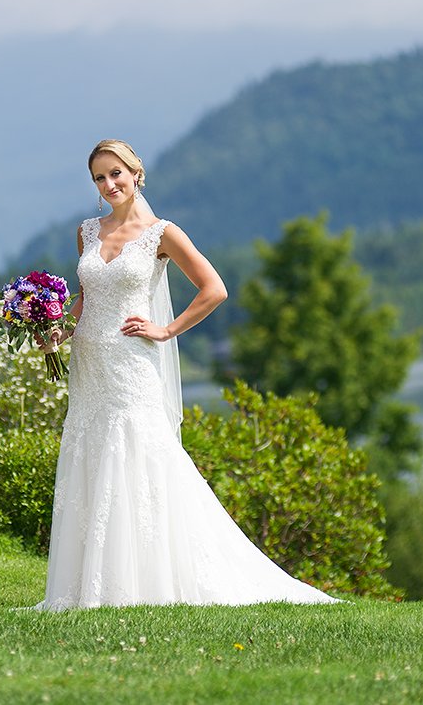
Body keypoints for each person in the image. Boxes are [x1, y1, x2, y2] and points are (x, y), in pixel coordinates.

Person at [32, 139, 340, 611]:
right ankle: (85, 588)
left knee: (137, 456)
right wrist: (58, 334)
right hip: (89, 366)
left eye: (117, 173)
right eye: (99, 177)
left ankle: (141, 582)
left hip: (132, 367)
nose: (109, 184)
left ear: (137, 174)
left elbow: (214, 288)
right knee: (91, 452)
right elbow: (84, 297)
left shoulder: (162, 233)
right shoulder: (87, 232)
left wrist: (166, 329)